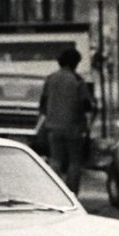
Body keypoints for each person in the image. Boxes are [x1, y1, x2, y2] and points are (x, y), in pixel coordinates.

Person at [39, 48, 94, 195]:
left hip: (53, 127)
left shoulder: (50, 79)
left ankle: (54, 192)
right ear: (75, 63)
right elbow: (87, 105)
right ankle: (71, 193)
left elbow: (43, 104)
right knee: (74, 162)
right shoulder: (77, 80)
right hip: (74, 127)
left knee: (55, 160)